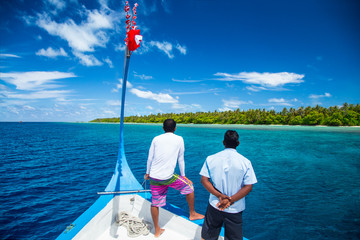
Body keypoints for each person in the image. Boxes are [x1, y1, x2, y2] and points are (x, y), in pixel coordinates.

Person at [144, 119, 204, 237]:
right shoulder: (179, 139)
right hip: (168, 177)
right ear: (175, 128)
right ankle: (192, 214)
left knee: (155, 203)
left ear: (163, 128)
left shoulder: (156, 138)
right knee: (190, 186)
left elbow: (150, 157)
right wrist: (183, 175)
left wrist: (147, 173)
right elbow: (180, 158)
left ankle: (157, 230)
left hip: (154, 176)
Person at [199, 130, 257, 240]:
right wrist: (230, 200)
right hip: (235, 208)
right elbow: (249, 186)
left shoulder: (211, 158)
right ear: (238, 143)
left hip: (215, 204)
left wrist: (220, 196)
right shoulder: (245, 162)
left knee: (208, 236)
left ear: (223, 142)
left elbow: (204, 180)